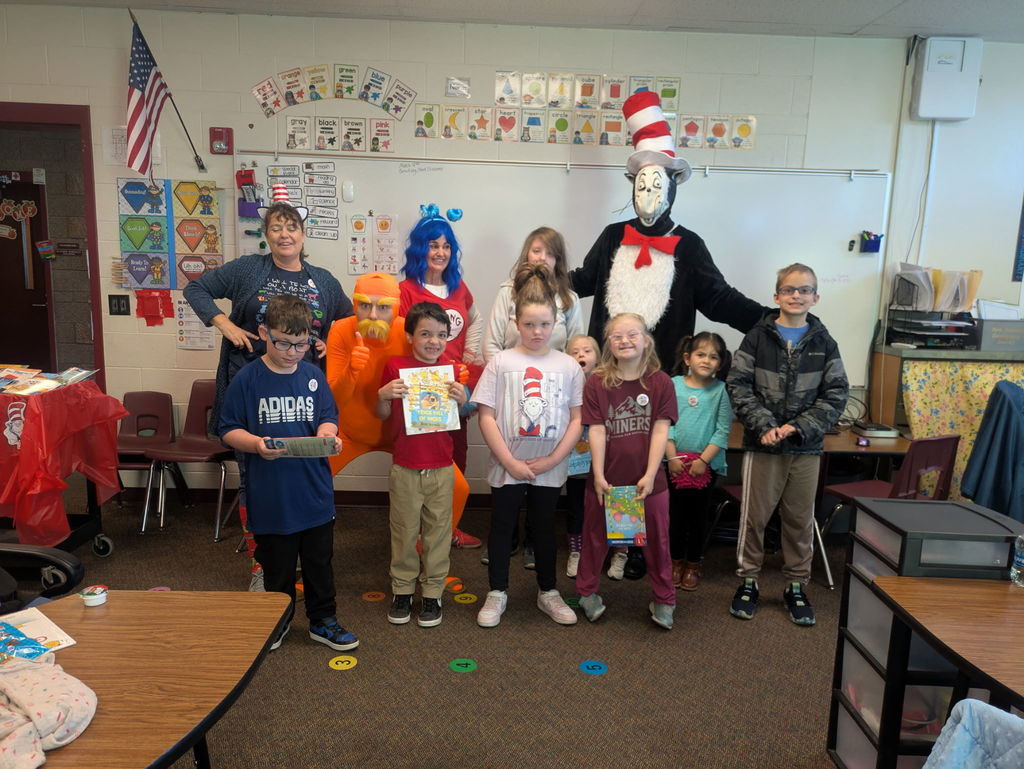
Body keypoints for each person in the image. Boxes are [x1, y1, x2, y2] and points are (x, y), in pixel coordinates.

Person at [570, 90, 763, 582]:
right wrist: (537, 277)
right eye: (642, 184)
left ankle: (645, 551)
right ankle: (614, 544)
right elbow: (581, 282)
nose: (649, 195)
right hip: (611, 381)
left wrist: (771, 320)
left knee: (652, 468)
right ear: (633, 186)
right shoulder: (614, 237)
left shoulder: (689, 245)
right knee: (611, 462)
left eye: (659, 185)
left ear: (674, 188)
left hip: (659, 383)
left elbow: (721, 299)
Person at [184, 190, 351, 589]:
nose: (284, 234)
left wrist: (329, 339)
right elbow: (196, 290)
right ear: (266, 235)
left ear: (303, 234)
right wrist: (222, 323)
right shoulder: (247, 270)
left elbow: (345, 319)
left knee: (302, 474)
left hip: (304, 395)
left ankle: (301, 556)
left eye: (291, 227)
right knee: (255, 478)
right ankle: (262, 564)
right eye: (275, 227)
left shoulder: (322, 280)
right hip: (254, 387)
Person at [219, 294, 358, 652]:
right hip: (271, 496)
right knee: (277, 567)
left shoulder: (313, 375)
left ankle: (323, 621)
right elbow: (228, 428)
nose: (293, 351)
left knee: (319, 564)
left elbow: (328, 416)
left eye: (302, 344)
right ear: (264, 332)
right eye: (283, 342)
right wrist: (255, 444)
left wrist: (328, 434)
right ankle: (278, 622)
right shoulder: (248, 379)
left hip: (313, 493)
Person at [726, 263, 848, 626]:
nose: (797, 296)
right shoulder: (757, 337)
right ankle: (748, 581)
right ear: (776, 295)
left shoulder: (824, 342)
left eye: (805, 290)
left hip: (805, 449)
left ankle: (796, 585)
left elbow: (837, 392)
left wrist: (798, 427)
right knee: (754, 518)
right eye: (790, 290)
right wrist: (764, 424)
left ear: (816, 297)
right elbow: (738, 383)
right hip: (762, 445)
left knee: (799, 520)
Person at [471, 268, 584, 628]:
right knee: (502, 528)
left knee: (543, 528)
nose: (537, 332)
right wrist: (509, 461)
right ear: (516, 322)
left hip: (549, 467)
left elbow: (577, 418)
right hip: (507, 465)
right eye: (530, 324)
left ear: (556, 324)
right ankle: (497, 591)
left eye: (545, 324)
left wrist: (552, 458)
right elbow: (486, 416)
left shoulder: (568, 366)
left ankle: (547, 591)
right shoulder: (501, 362)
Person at [326, 272, 471, 541]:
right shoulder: (341, 330)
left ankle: (429, 553)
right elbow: (333, 399)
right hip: (350, 434)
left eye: (383, 307)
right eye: (364, 305)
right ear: (354, 304)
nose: (373, 315)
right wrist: (350, 372)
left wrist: (454, 374)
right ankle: (303, 555)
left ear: (396, 307)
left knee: (459, 488)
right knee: (308, 480)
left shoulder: (409, 330)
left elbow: (433, 365)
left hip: (405, 435)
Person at [481, 228, 585, 568]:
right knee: (508, 492)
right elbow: (491, 343)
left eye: (550, 252)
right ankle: (507, 538)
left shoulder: (568, 298)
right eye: (537, 250)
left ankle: (533, 545)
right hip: (511, 393)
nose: (542, 258)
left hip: (553, 397)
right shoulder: (506, 293)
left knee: (543, 501)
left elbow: (576, 347)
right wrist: (503, 379)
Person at [576, 313, 678, 629]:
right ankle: (587, 593)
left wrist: (649, 474)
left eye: (632, 334)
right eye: (617, 336)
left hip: (649, 484)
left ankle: (664, 600)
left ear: (646, 340)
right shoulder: (597, 382)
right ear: (609, 343)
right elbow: (595, 430)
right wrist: (598, 476)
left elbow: (661, 431)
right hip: (607, 482)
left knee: (658, 542)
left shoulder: (661, 382)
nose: (625, 341)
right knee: (595, 539)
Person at [376, 302, 467, 628]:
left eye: (441, 335)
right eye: (426, 334)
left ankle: (433, 593)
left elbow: (463, 413)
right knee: (403, 531)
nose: (434, 341)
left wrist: (462, 398)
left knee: (438, 533)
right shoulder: (395, 366)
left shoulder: (452, 371)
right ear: (410, 335)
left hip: (442, 467)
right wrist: (383, 395)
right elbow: (382, 415)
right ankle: (402, 590)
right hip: (405, 466)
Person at [398, 205, 483, 548]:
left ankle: (448, 529)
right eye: (433, 245)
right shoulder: (405, 290)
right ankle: (420, 533)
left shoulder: (459, 287)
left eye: (446, 246)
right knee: (421, 464)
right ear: (421, 248)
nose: (440, 252)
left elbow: (474, 321)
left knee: (455, 459)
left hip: (455, 388)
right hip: (421, 390)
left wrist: (470, 359)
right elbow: (398, 339)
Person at [665, 332, 732, 592]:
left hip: (705, 466)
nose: (707, 360)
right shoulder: (673, 385)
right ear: (687, 358)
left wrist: (704, 460)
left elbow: (722, 430)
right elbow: (665, 423)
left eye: (713, 357)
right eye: (701, 354)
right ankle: (675, 561)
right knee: (676, 516)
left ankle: (693, 563)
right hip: (674, 463)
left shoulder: (720, 391)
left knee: (698, 518)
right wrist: (671, 456)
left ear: (720, 362)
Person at [564, 334, 600, 578]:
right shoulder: (564, 385)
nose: (581, 355)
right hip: (575, 460)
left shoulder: (606, 385)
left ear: (597, 357)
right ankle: (575, 550)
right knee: (576, 505)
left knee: (600, 505)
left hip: (602, 461)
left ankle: (605, 550)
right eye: (575, 351)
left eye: (587, 351)